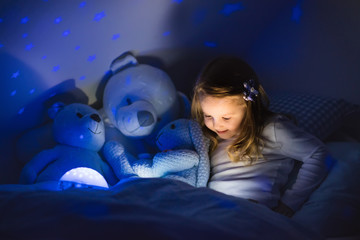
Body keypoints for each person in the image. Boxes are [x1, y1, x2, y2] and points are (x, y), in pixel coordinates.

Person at [191, 56, 331, 217]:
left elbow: (318, 153)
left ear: (248, 107)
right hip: (211, 209)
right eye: (208, 115)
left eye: (226, 118)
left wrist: (290, 203)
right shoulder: (207, 136)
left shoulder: (271, 130)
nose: (216, 125)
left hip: (250, 212)